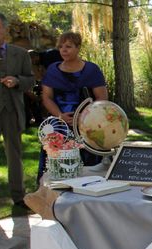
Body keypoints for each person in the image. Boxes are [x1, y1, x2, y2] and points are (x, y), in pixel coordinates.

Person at [0, 12, 34, 210]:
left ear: (5, 29)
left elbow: (31, 80)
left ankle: (19, 196)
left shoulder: (19, 54)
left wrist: (17, 81)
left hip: (12, 110)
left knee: (15, 154)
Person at [40, 32, 108, 178]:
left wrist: (82, 118)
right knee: (58, 171)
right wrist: (59, 116)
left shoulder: (91, 70)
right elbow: (46, 97)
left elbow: (102, 98)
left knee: (89, 171)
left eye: (68, 46)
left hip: (87, 126)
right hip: (59, 126)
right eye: (61, 47)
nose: (63, 50)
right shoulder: (52, 70)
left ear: (78, 48)